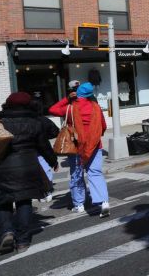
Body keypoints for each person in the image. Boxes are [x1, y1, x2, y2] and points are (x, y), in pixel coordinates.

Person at [0, 92, 58, 253]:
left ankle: (7, 231)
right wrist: (53, 161)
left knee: (3, 201)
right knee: (24, 202)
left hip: (1, 167)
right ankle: (23, 241)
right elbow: (43, 146)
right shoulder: (34, 122)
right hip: (27, 167)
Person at [49, 82, 110, 217]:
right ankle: (103, 202)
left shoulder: (70, 108)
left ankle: (79, 204)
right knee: (95, 173)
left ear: (78, 93)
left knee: (76, 174)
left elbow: (52, 109)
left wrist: (67, 98)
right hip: (94, 145)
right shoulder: (96, 107)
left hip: (76, 147)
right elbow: (103, 126)